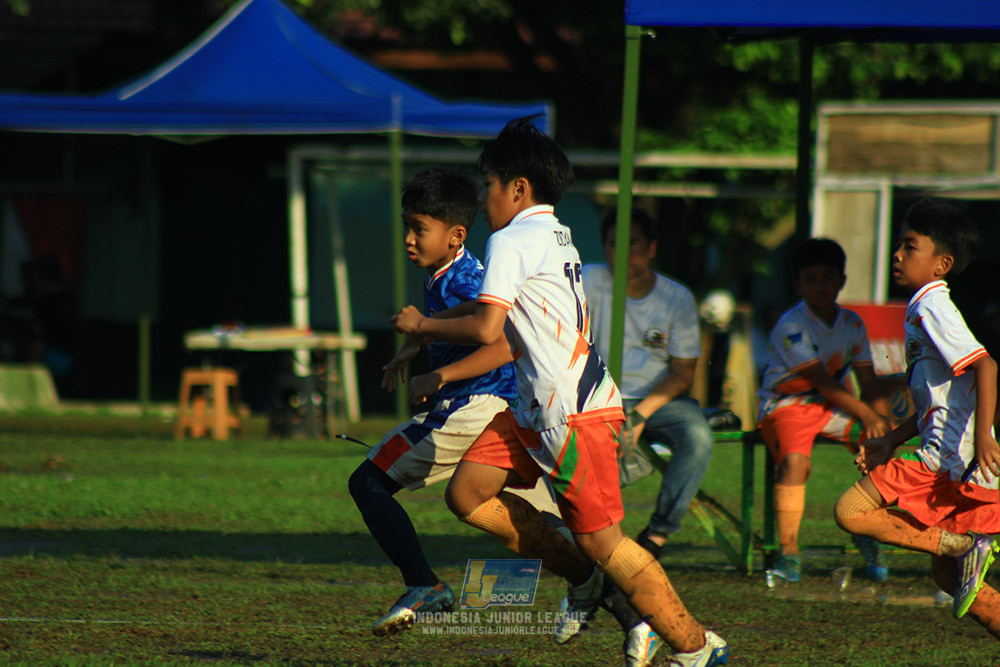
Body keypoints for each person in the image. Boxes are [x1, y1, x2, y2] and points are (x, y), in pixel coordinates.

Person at [391, 118, 729, 667]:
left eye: (489, 184)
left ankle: (694, 646)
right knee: (467, 494)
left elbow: (486, 329)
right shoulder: (554, 231)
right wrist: (427, 328)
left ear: (518, 188)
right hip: (534, 408)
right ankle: (584, 581)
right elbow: (493, 308)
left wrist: (423, 330)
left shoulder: (509, 238)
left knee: (604, 541)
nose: (482, 197)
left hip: (569, 413)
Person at [348, 167, 520, 636]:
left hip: (475, 406)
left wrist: (437, 373)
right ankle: (628, 609)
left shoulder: (463, 279)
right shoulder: (448, 272)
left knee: (367, 482)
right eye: (407, 225)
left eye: (419, 228)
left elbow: (502, 341)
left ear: (455, 235)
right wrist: (416, 344)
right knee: (553, 527)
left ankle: (423, 584)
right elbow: (456, 322)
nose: (408, 238)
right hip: (500, 409)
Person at [836, 198, 1000, 631]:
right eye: (900, 244)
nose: (897, 254)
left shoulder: (932, 305)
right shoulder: (922, 306)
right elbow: (942, 400)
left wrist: (984, 437)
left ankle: (961, 546)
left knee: (850, 511)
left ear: (941, 263)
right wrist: (891, 439)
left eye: (910, 246)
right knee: (946, 576)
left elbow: (986, 365)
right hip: (952, 458)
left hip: (947, 462)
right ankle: (960, 551)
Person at [755, 238, 892, 584]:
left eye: (828, 278)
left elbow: (867, 379)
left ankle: (865, 528)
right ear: (797, 284)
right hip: (785, 405)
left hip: (831, 404)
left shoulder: (853, 324)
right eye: (810, 279)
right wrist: (866, 413)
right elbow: (821, 379)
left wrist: (881, 422)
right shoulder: (791, 325)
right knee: (794, 463)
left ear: (841, 281)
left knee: (880, 449)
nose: (820, 287)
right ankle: (788, 553)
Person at [582, 208, 713, 558]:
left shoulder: (677, 297)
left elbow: (683, 374)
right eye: (614, 244)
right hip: (596, 397)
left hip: (658, 401)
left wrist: (638, 416)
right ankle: (584, 537)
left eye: (634, 244)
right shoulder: (588, 280)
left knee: (698, 437)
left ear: (652, 248)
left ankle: (657, 535)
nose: (623, 253)